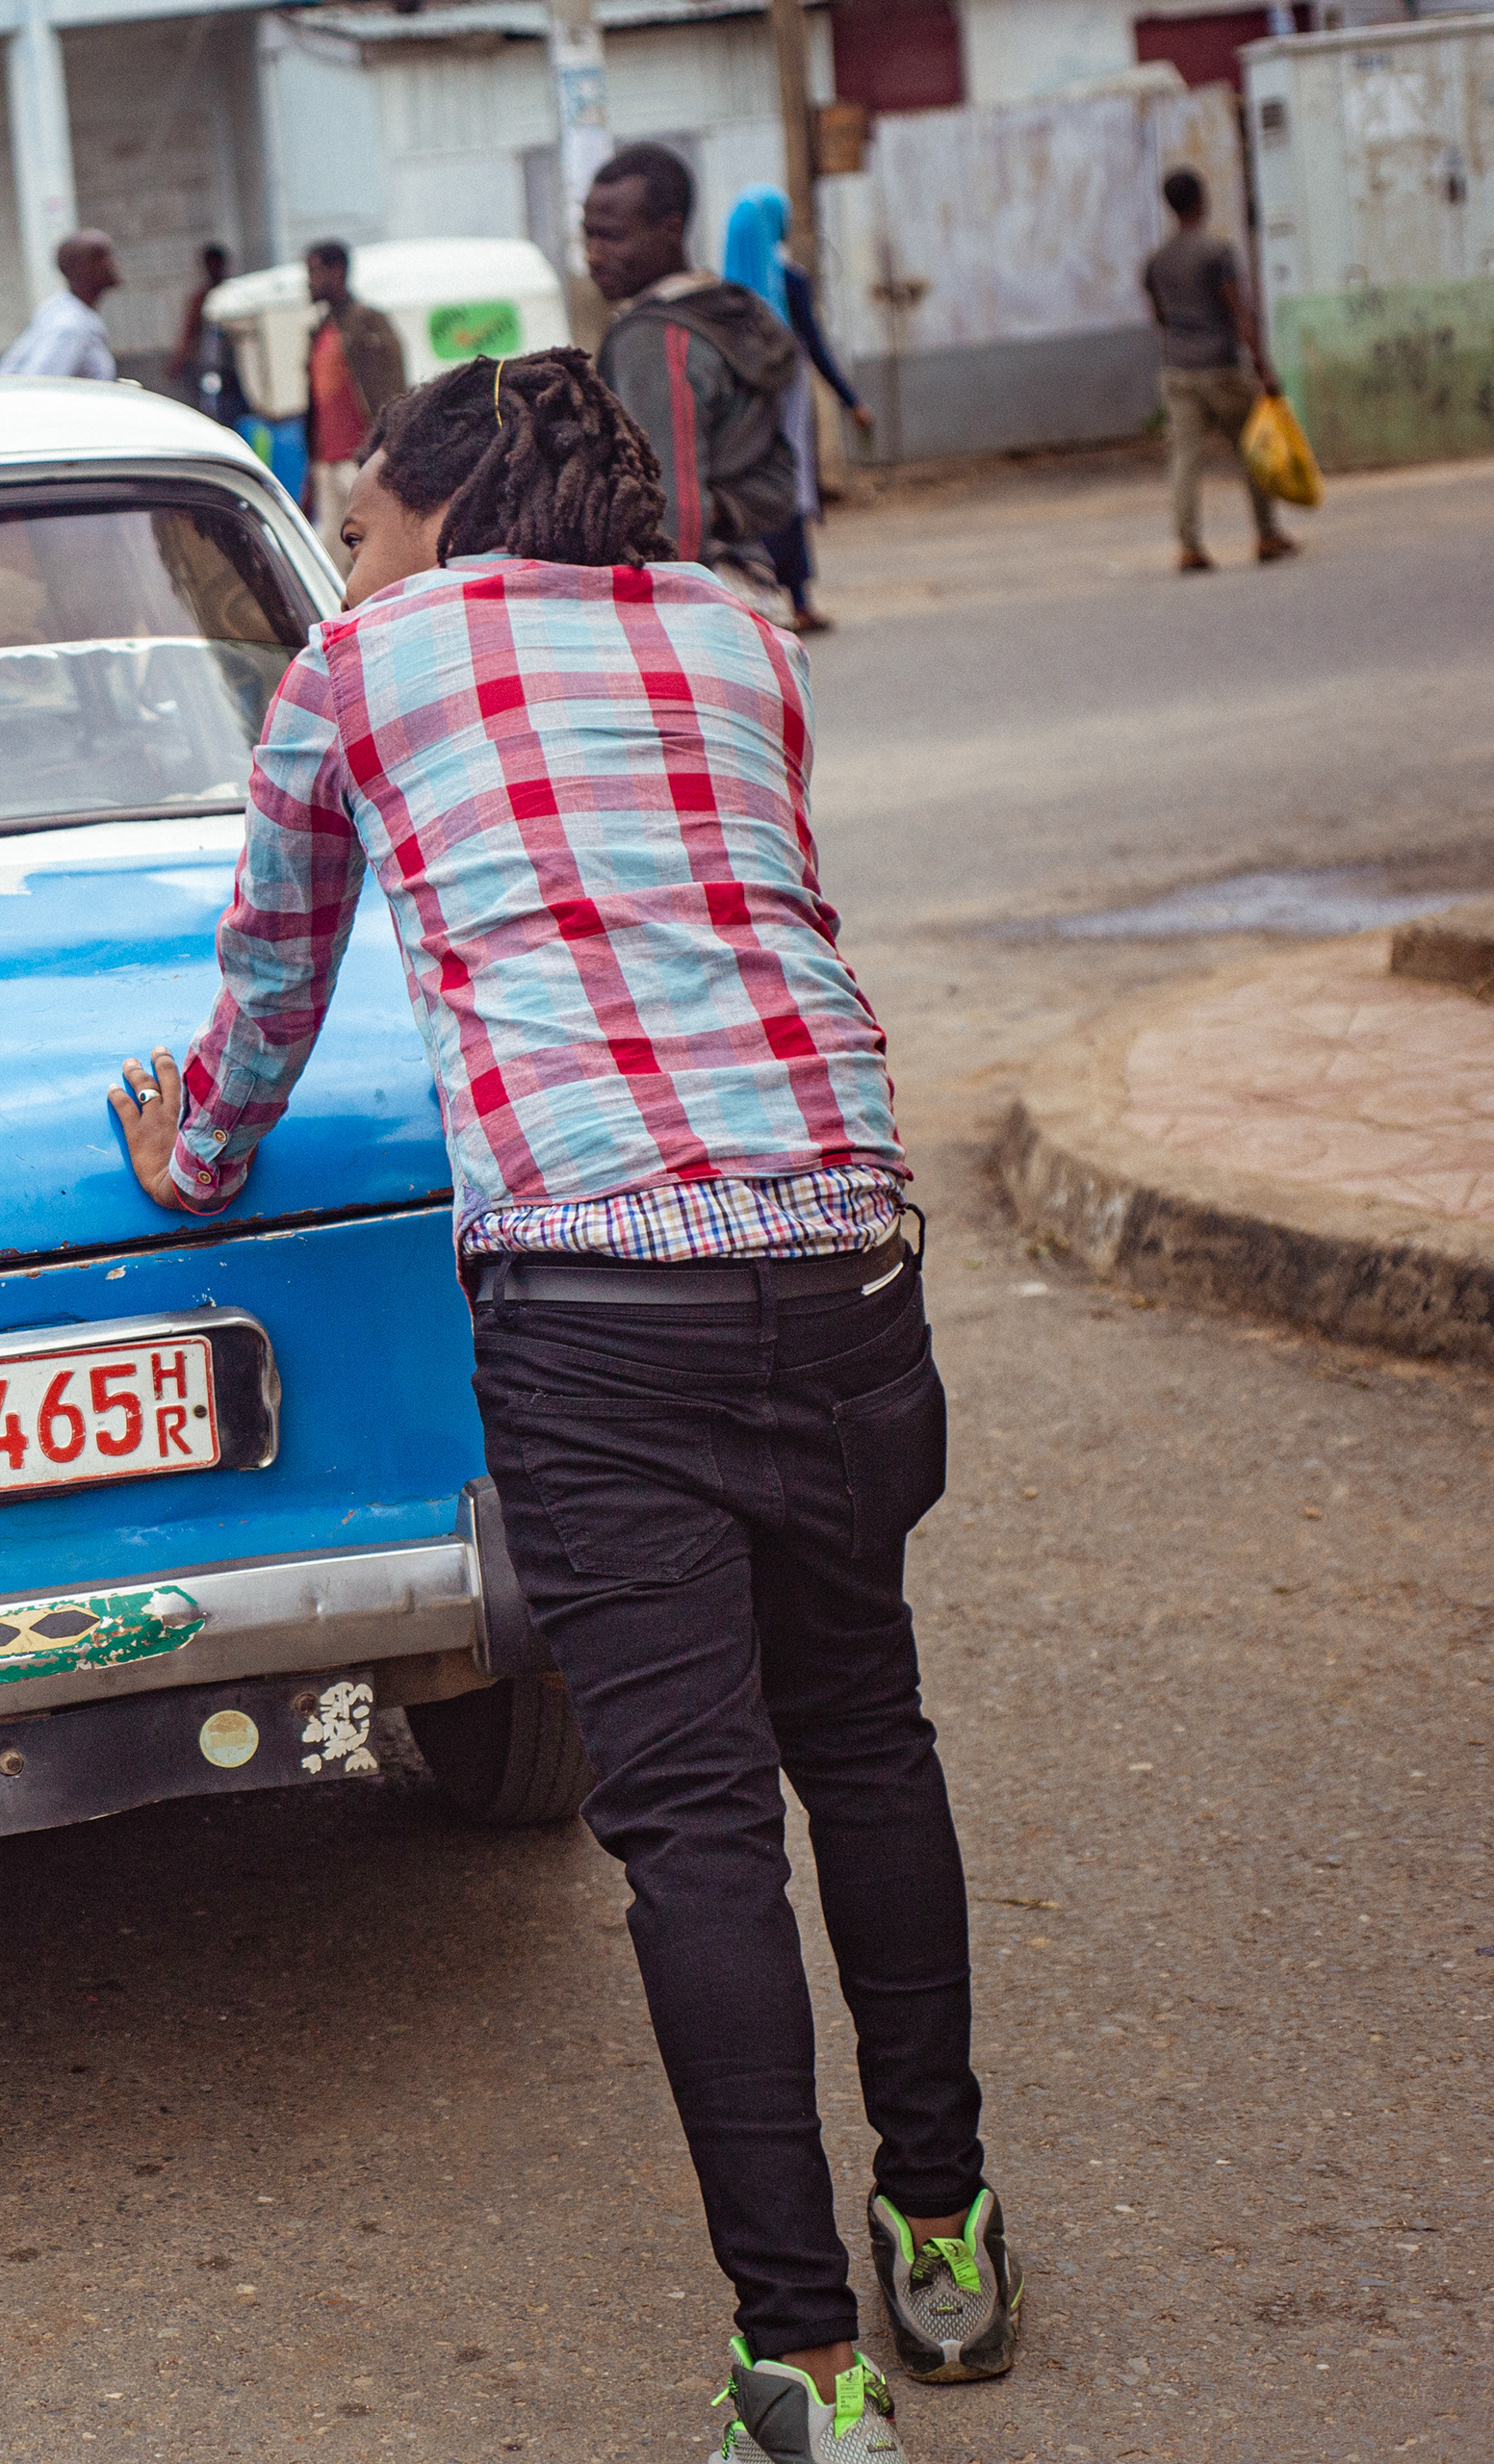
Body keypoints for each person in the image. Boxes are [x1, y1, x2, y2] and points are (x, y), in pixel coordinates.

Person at [107, 349, 1017, 2462]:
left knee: (696, 1821)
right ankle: (947, 2225)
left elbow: (271, 983)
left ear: (432, 511)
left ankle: (802, 2367)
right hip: (848, 1249)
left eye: (356, 522)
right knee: (865, 1736)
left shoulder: (358, 665)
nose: (348, 558)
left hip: (605, 1295)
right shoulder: (742, 635)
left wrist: (197, 1163)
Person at [583, 144, 800, 569]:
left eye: (611, 236)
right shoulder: (730, 313)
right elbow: (781, 484)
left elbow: (670, 517)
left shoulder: (657, 339)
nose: (593, 254)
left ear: (670, 229)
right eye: (588, 234)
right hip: (749, 578)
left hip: (692, 595)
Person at [722, 186, 875, 634]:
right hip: (786, 401)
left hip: (741, 408)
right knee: (791, 493)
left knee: (757, 494)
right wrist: (852, 400)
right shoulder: (790, 279)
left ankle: (768, 599)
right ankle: (800, 601)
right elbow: (816, 347)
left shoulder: (725, 294)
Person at [1144, 166, 1294, 572]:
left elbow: (1158, 317)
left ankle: (1189, 546)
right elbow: (1240, 313)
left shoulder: (1156, 262)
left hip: (1177, 370)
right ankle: (1266, 535)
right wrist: (1264, 367)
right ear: (1200, 200)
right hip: (1220, 368)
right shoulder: (1217, 253)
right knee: (1253, 449)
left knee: (1185, 460)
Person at [299, 240, 409, 556]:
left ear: (339, 271)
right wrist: (311, 470)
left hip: (361, 461)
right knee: (331, 559)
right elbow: (317, 407)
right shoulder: (321, 330)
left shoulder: (368, 323)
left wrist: (385, 454)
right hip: (326, 464)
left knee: (375, 549)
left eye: (315, 271)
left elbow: (391, 395)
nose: (309, 281)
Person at [0, 229, 120, 380]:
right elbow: (39, 389)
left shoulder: (68, 311)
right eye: (99, 256)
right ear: (78, 268)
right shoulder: (70, 327)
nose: (111, 263)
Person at [167, 241, 244, 425]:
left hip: (236, 367)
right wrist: (178, 362)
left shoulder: (236, 294)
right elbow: (190, 331)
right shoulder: (200, 298)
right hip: (210, 368)